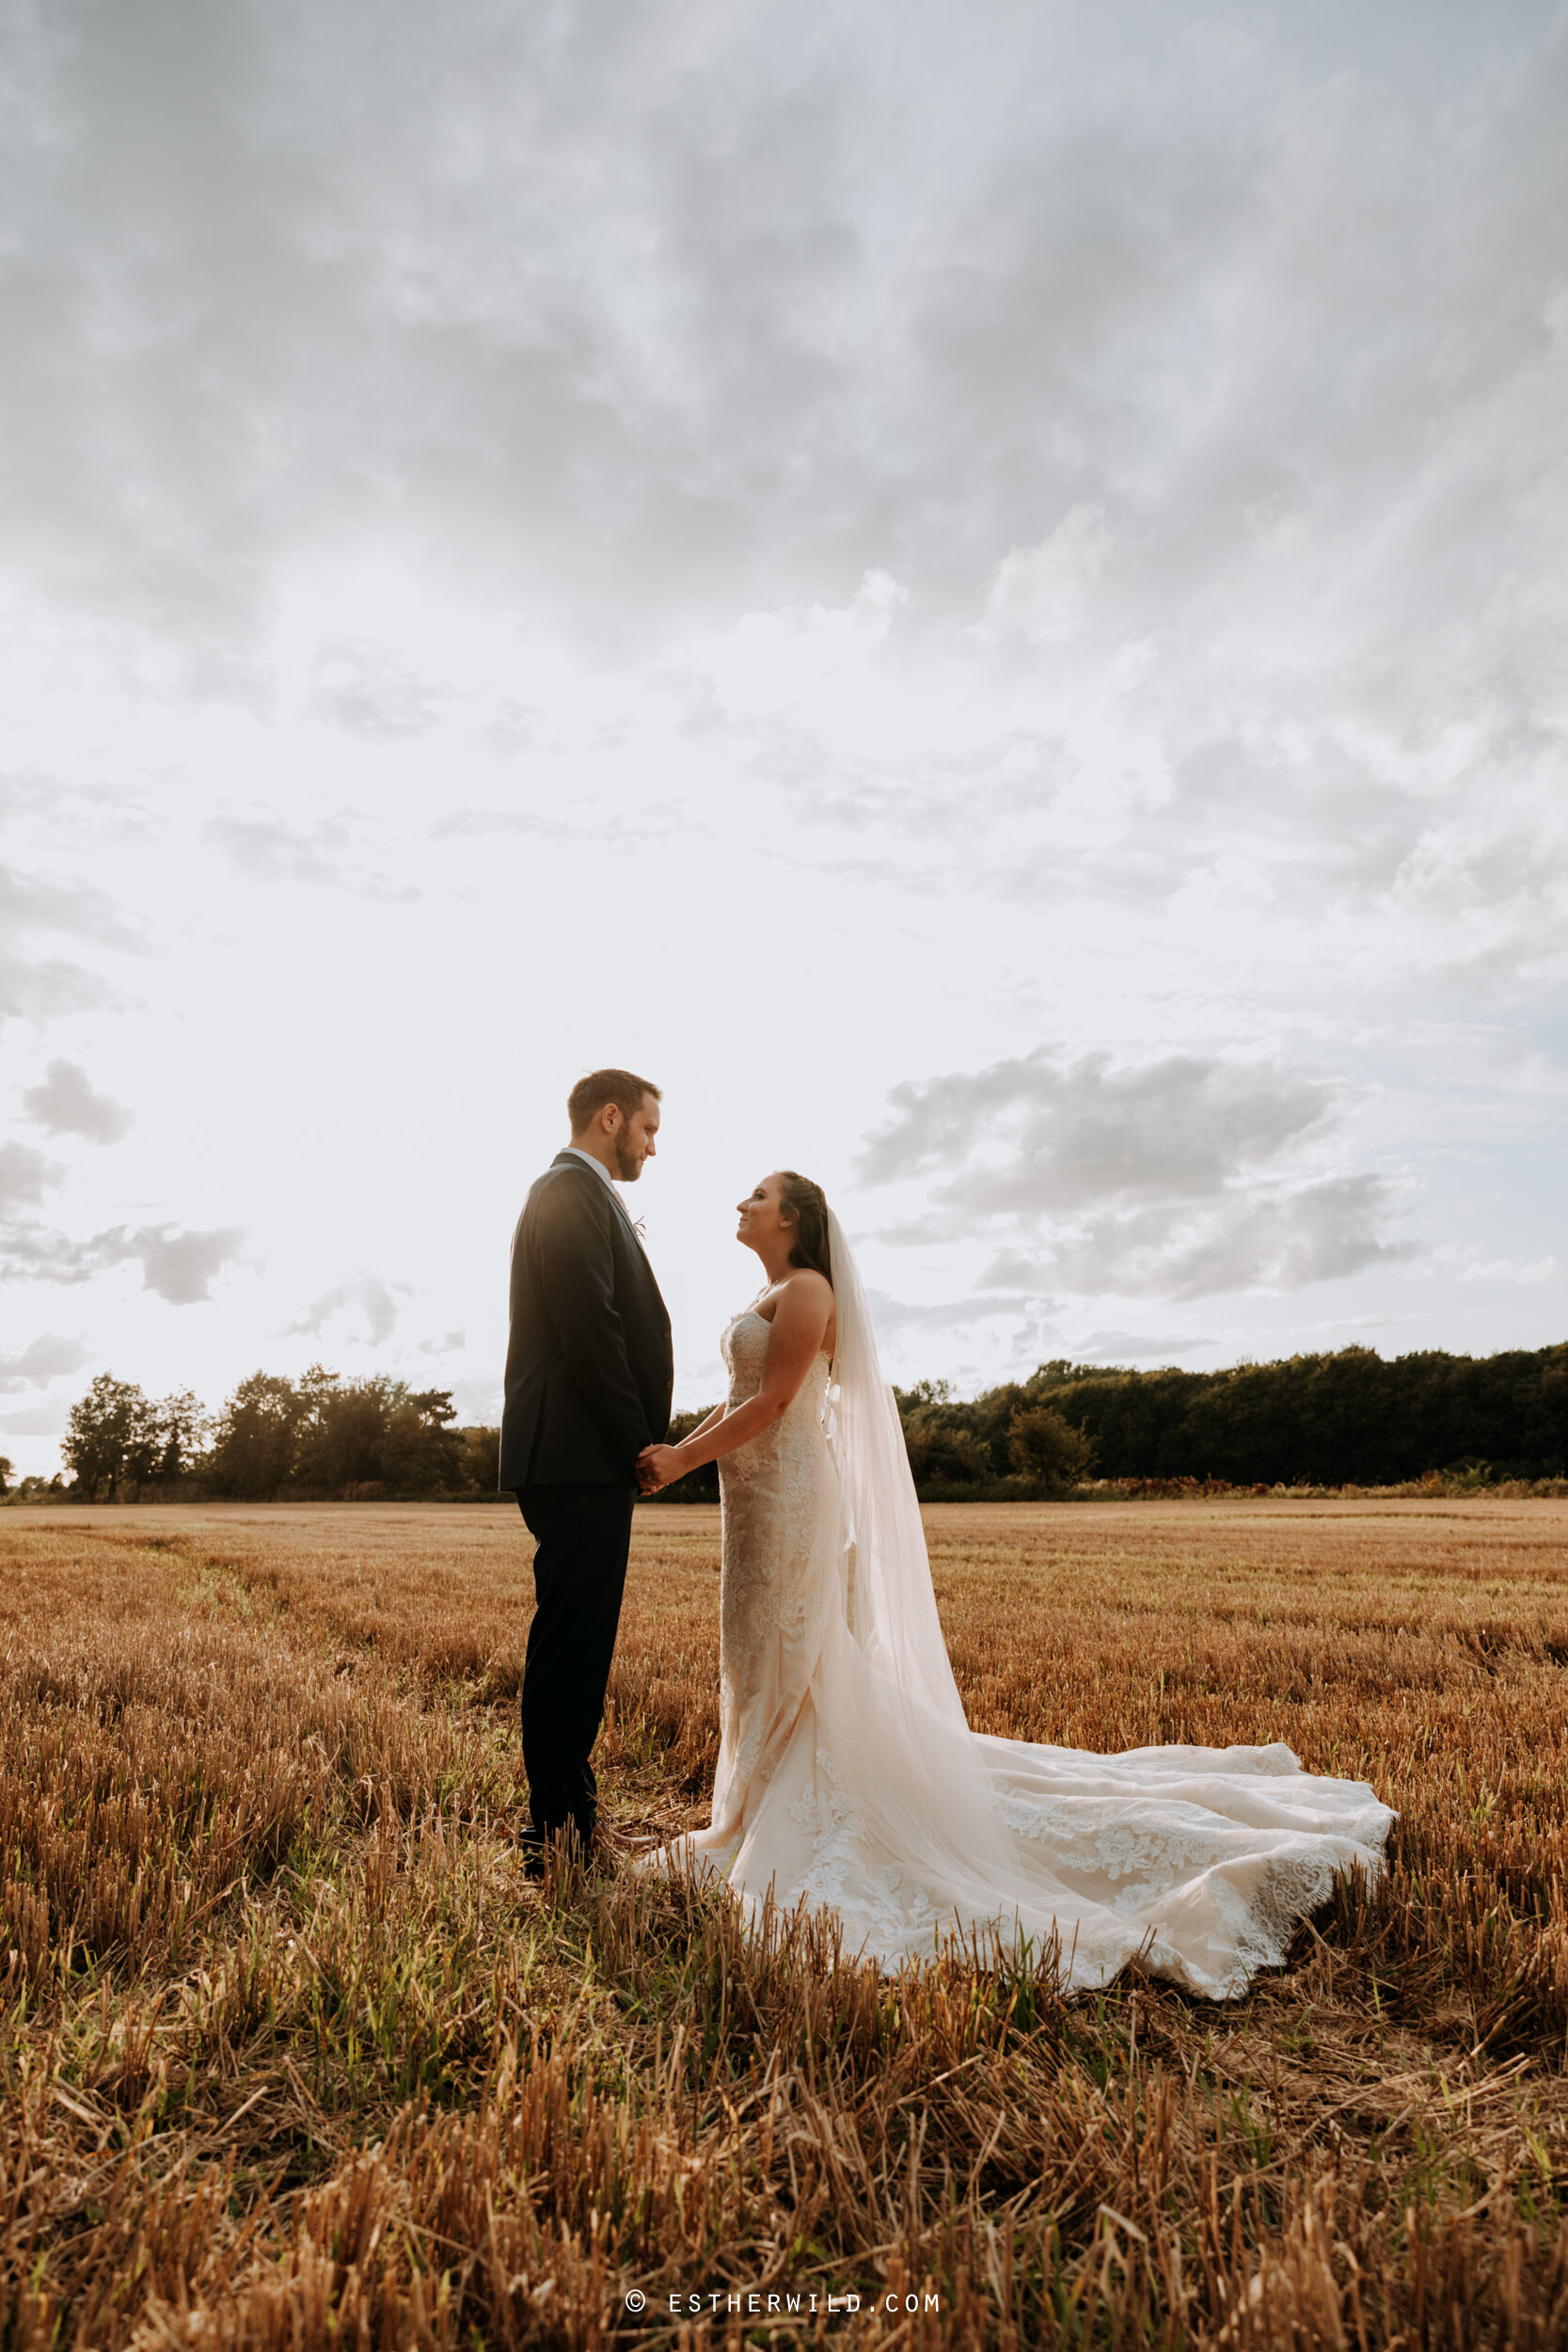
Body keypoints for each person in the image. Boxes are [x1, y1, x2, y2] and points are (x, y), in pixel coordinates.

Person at [635, 1172, 1393, 1994]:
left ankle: (785, 1804)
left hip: (788, 1493)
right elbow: (741, 1396)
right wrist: (682, 1454)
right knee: (752, 1641)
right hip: (753, 1496)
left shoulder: (809, 1288)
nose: (741, 1203)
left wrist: (681, 1458)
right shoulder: (770, 1288)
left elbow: (779, 1402)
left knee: (786, 1638)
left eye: (758, 1194)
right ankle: (751, 1803)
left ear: (793, 1217)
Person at [500, 1069, 673, 1875]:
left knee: (577, 1641)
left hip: (577, 1453)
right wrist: (635, 1441)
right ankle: (555, 1833)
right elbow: (589, 1328)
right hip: (579, 1454)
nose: (649, 1146)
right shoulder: (567, 1190)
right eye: (646, 1130)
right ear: (611, 1118)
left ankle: (570, 1813)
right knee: (574, 1642)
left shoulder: (578, 1191)